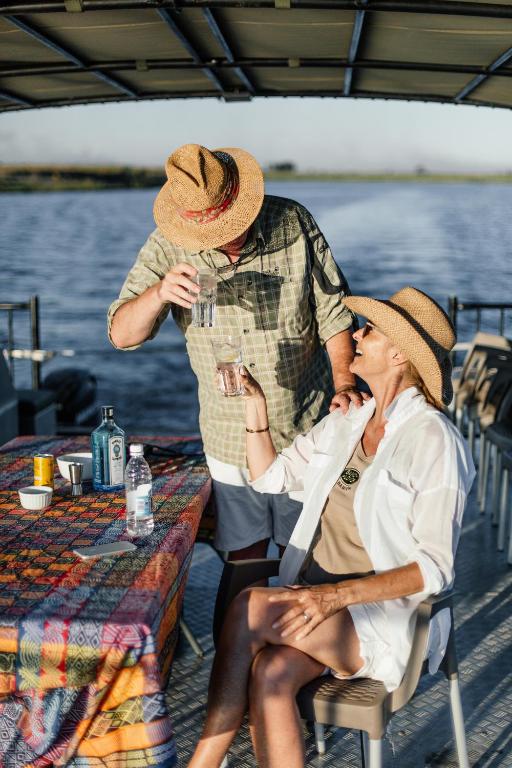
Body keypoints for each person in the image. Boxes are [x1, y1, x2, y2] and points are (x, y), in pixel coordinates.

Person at [187, 286, 475, 768]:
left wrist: (334, 597)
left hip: (380, 616)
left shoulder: (434, 440)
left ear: (399, 354)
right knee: (271, 671)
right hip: (316, 604)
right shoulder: (350, 419)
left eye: (370, 330)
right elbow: (270, 477)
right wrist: (255, 405)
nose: (355, 335)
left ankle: (203, 762)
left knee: (247, 607)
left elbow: (435, 568)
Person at [108, 143, 367, 561]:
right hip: (229, 434)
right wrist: (158, 293)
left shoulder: (293, 220)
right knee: (244, 556)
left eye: (231, 223)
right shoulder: (167, 244)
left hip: (306, 425)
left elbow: (334, 312)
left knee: (303, 555)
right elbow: (122, 336)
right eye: (211, 233)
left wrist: (345, 384)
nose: (224, 237)